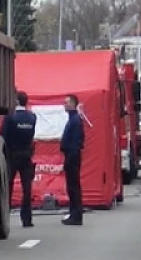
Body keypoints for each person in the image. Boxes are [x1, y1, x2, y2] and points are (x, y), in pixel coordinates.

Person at [0, 91, 37, 227]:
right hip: (26, 154)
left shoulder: (10, 118)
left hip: (12, 154)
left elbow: (4, 136)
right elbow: (32, 135)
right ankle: (27, 219)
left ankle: (4, 218)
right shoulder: (32, 117)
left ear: (15, 101)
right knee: (27, 188)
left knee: (7, 186)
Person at [60, 94, 85, 225]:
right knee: (71, 187)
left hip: (72, 157)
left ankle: (76, 215)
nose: (64, 104)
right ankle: (74, 213)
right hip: (70, 156)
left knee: (74, 187)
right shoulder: (72, 119)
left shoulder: (75, 120)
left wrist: (70, 159)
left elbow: (75, 142)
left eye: (67, 102)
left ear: (73, 104)